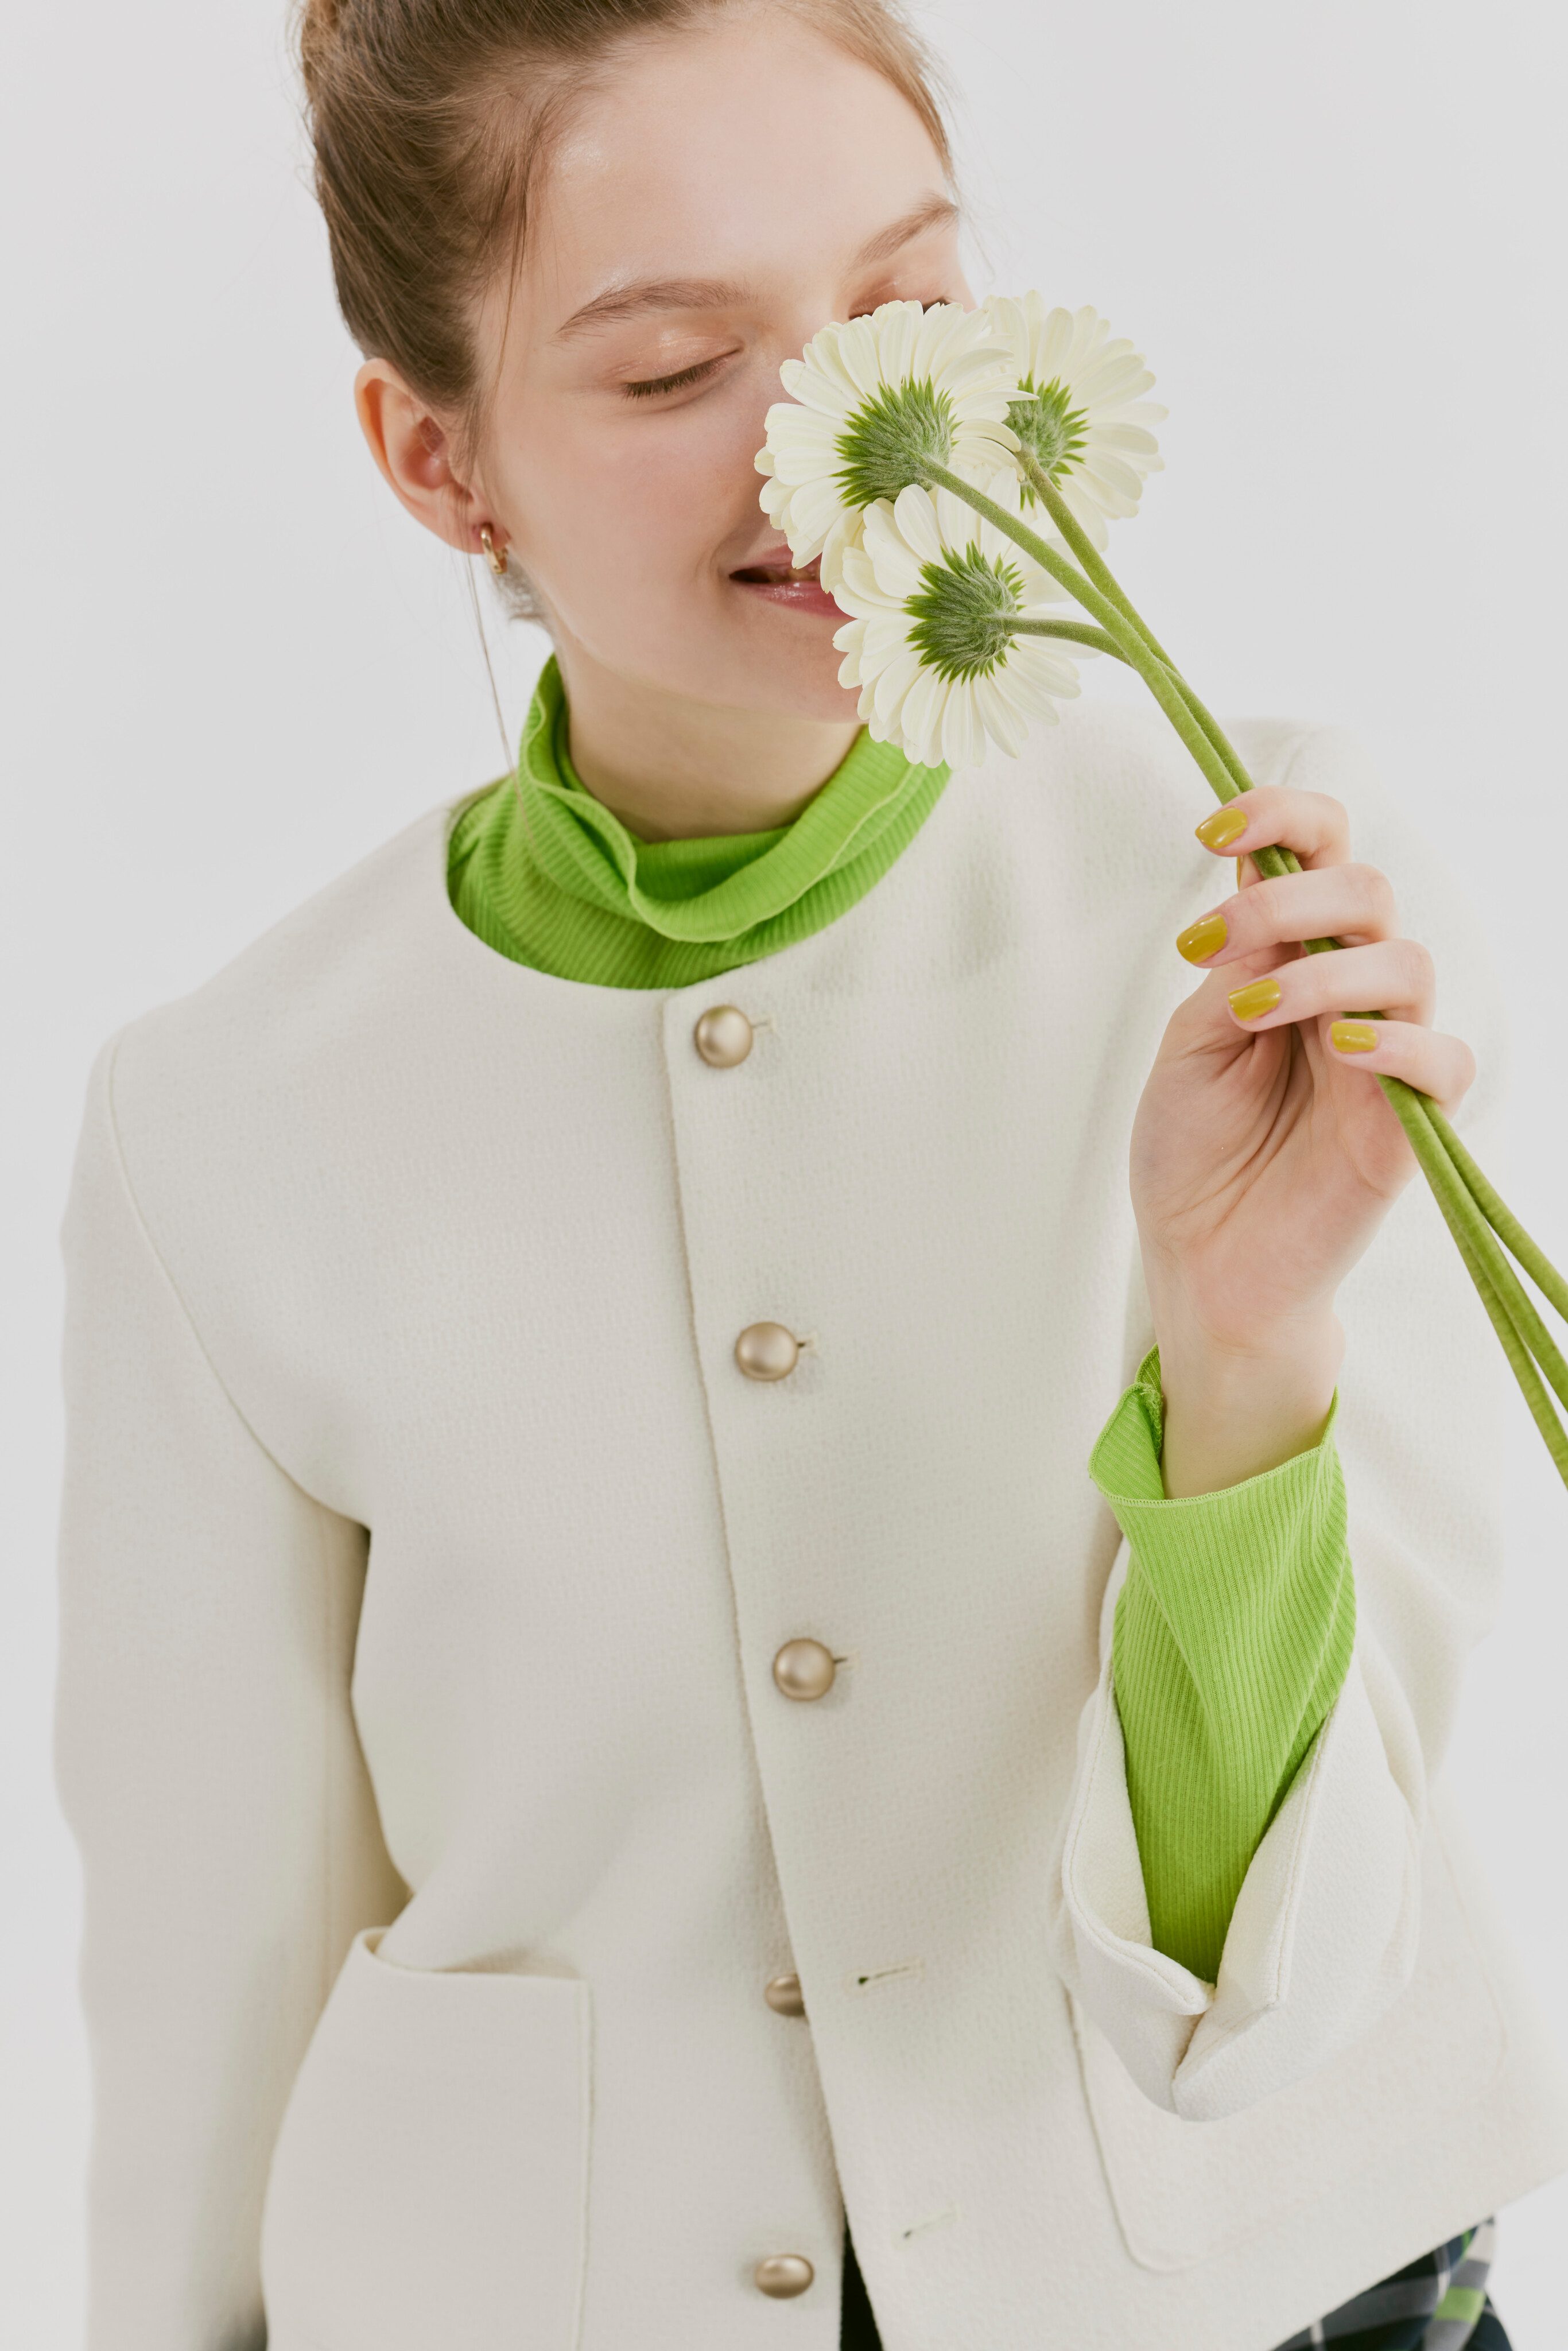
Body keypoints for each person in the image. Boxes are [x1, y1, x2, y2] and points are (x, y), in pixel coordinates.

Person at [51, 2, 1568, 2346]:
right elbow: (204, 1975)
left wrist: (1240, 1342)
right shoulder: (220, 1118)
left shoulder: (1266, 908)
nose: (850, 443)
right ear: (438, 460)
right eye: (674, 369)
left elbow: (1282, 1973)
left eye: (903, 307)